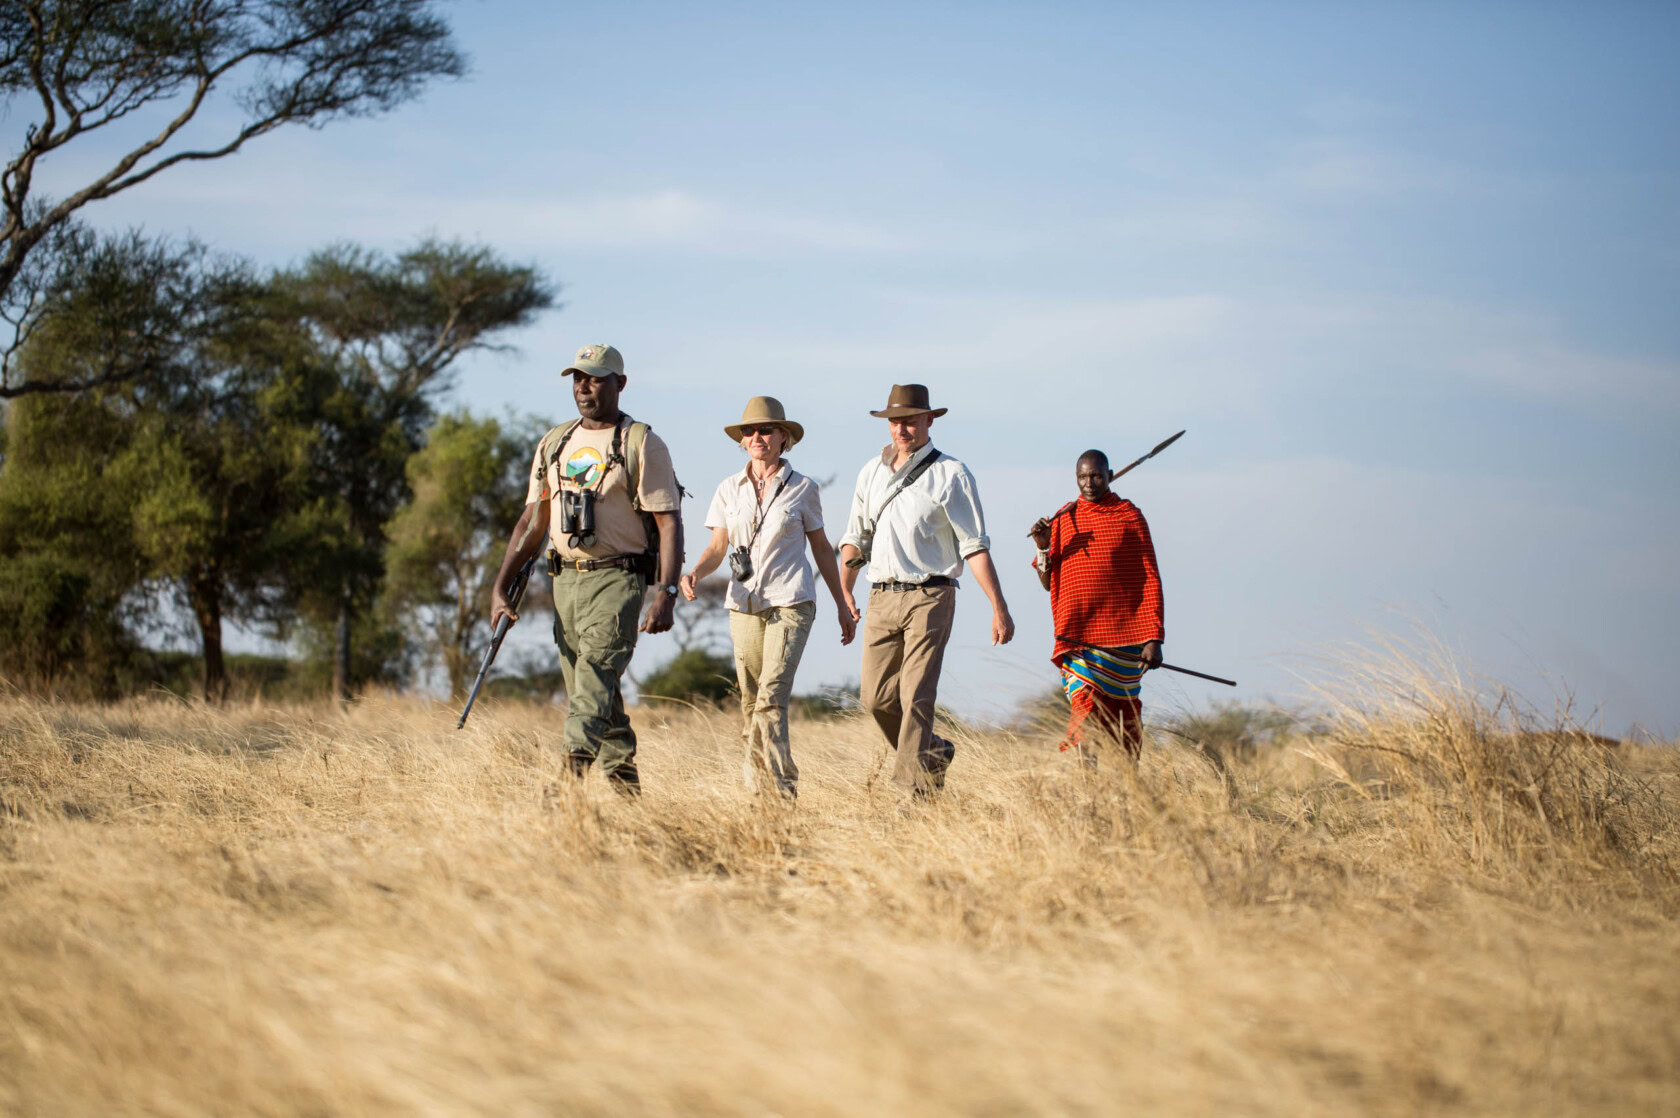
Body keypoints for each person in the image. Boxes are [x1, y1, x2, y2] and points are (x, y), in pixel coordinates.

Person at [490, 343, 684, 794]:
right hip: (563, 582)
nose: (584, 386)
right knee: (595, 691)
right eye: (578, 378)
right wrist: (500, 586)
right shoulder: (555, 442)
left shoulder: (642, 442)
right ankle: (629, 796)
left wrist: (666, 593)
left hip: (617, 579)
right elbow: (532, 519)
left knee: (594, 676)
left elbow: (667, 521)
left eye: (595, 378)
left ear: (620, 383)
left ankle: (566, 787)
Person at [838, 383, 1014, 796]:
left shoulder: (952, 474)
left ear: (929, 420)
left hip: (930, 596)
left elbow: (975, 546)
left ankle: (910, 797)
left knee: (916, 695)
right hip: (880, 594)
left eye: (911, 421)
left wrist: (998, 607)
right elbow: (854, 538)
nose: (902, 429)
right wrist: (843, 590)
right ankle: (932, 751)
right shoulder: (870, 471)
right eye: (895, 421)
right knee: (876, 699)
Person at [680, 397, 857, 800]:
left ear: (783, 438)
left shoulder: (803, 488)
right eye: (749, 431)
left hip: (791, 601)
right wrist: (694, 572)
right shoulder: (728, 489)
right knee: (749, 701)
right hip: (743, 603)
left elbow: (822, 550)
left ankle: (782, 793)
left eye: (765, 430)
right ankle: (755, 792)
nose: (756, 437)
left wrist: (842, 600)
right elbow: (718, 547)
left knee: (771, 697)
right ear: (741, 441)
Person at [1029, 449, 1164, 764]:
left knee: (1123, 717)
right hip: (1079, 640)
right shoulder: (1064, 517)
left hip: (1125, 641)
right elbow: (1047, 581)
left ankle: (1127, 786)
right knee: (1085, 712)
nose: (1089, 483)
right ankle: (1090, 789)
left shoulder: (1129, 516)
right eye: (1082, 477)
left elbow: (1150, 577)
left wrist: (1154, 636)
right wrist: (1043, 545)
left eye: (1096, 476)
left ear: (1110, 475)